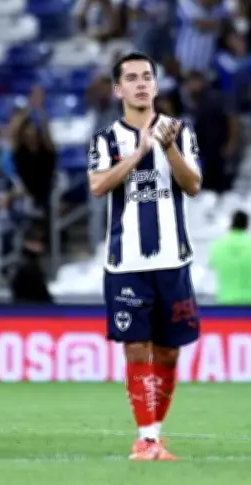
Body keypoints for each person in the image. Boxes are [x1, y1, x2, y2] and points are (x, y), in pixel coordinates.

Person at [87, 51, 202, 461]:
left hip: (172, 262)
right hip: (126, 265)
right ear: (118, 89)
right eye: (131, 78)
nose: (140, 83)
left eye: (147, 77)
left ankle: (155, 432)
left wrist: (167, 150)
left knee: (169, 352)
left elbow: (193, 185)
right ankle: (146, 437)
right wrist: (137, 154)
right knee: (136, 348)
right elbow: (98, 187)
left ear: (155, 85)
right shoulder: (105, 139)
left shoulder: (180, 131)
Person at [209, 210, 251, 304]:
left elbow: (214, 266)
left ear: (231, 224)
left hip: (226, 302)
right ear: (247, 225)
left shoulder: (217, 246)